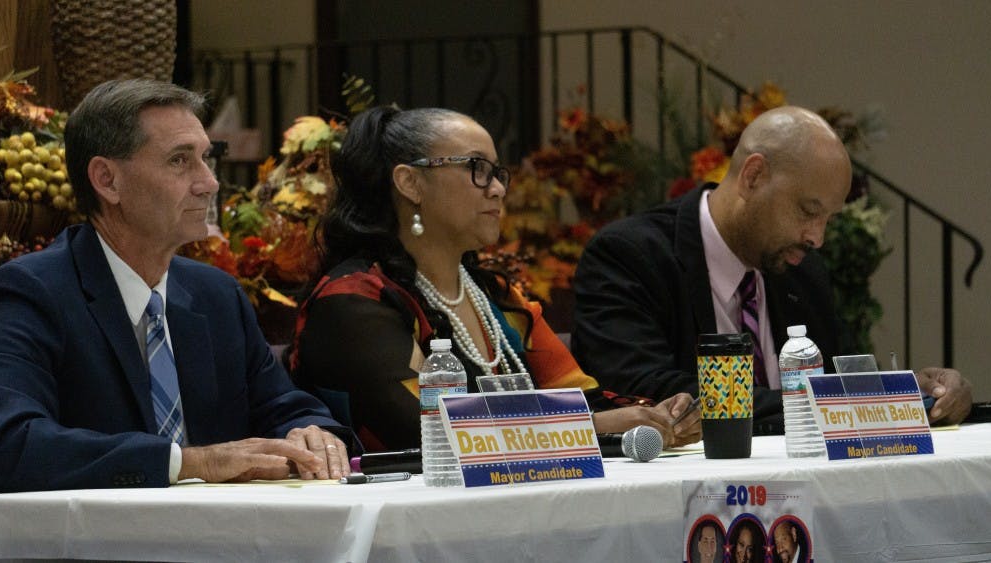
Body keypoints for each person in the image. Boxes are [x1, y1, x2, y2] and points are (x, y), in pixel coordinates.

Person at [0, 79, 357, 494]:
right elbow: (9, 443)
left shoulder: (216, 294)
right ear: (107, 180)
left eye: (206, 158)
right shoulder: (32, 292)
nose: (210, 182)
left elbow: (285, 407)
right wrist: (189, 463)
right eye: (180, 161)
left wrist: (312, 434)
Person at [289, 106, 701, 452]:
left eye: (498, 173)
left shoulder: (500, 300)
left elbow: (585, 398)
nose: (498, 189)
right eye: (477, 169)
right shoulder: (352, 301)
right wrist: (598, 426)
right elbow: (433, 431)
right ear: (410, 182)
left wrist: (660, 412)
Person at [572, 106, 973, 433]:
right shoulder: (630, 257)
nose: (817, 237)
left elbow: (846, 380)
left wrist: (919, 395)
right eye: (808, 211)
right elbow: (649, 395)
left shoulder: (803, 270)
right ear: (754, 176)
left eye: (828, 219)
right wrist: (826, 405)